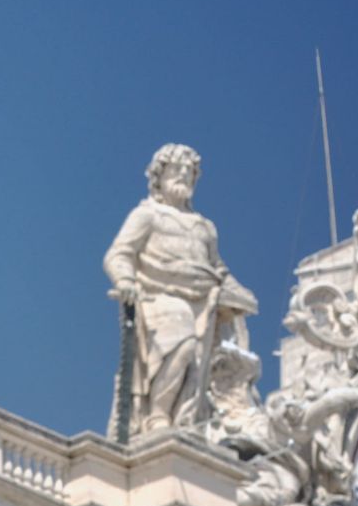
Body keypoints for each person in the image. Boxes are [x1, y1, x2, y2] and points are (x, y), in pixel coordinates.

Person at [105, 143, 256, 435]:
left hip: (203, 304)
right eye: (177, 169)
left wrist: (241, 295)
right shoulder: (147, 215)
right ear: (159, 176)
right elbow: (118, 254)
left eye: (189, 171)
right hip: (158, 294)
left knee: (196, 367)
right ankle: (157, 416)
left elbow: (218, 270)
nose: (184, 175)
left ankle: (181, 421)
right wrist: (125, 281)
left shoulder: (205, 227)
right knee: (181, 339)